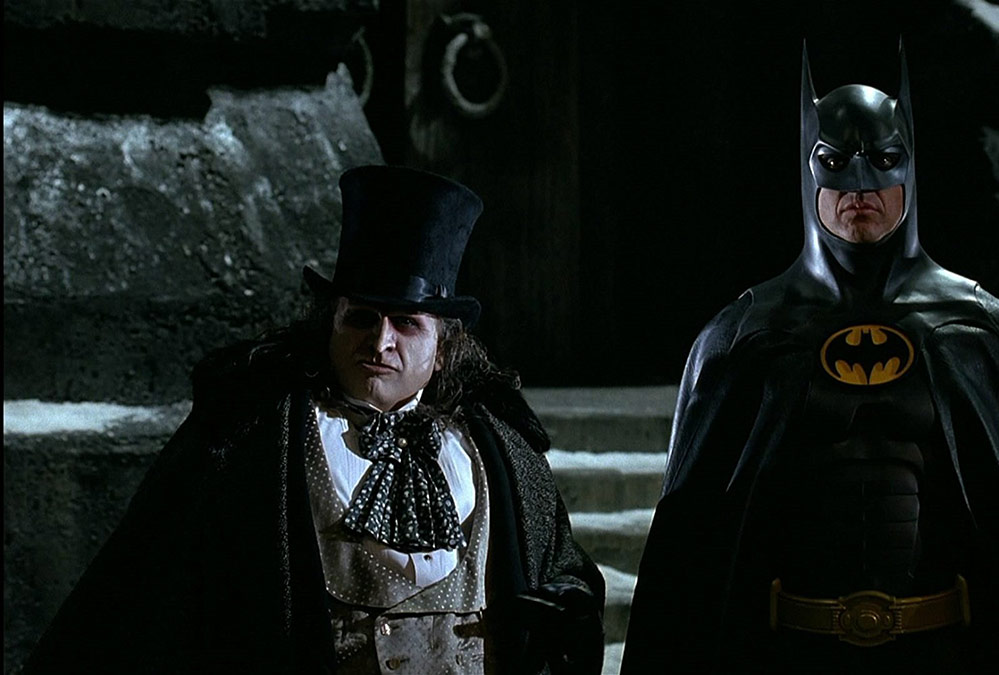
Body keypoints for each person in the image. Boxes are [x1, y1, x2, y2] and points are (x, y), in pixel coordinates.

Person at [620, 45, 999, 674]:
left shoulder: (978, 331)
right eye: (835, 163)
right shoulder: (749, 335)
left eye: (883, 161)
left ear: (910, 168)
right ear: (809, 171)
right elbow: (693, 548)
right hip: (792, 657)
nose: (860, 186)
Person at [24, 166, 605, 674]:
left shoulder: (500, 452)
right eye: (361, 318)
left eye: (406, 323)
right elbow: (149, 587)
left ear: (443, 349)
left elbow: (563, 570)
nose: (380, 342)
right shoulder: (251, 440)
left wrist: (567, 608)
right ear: (330, 325)